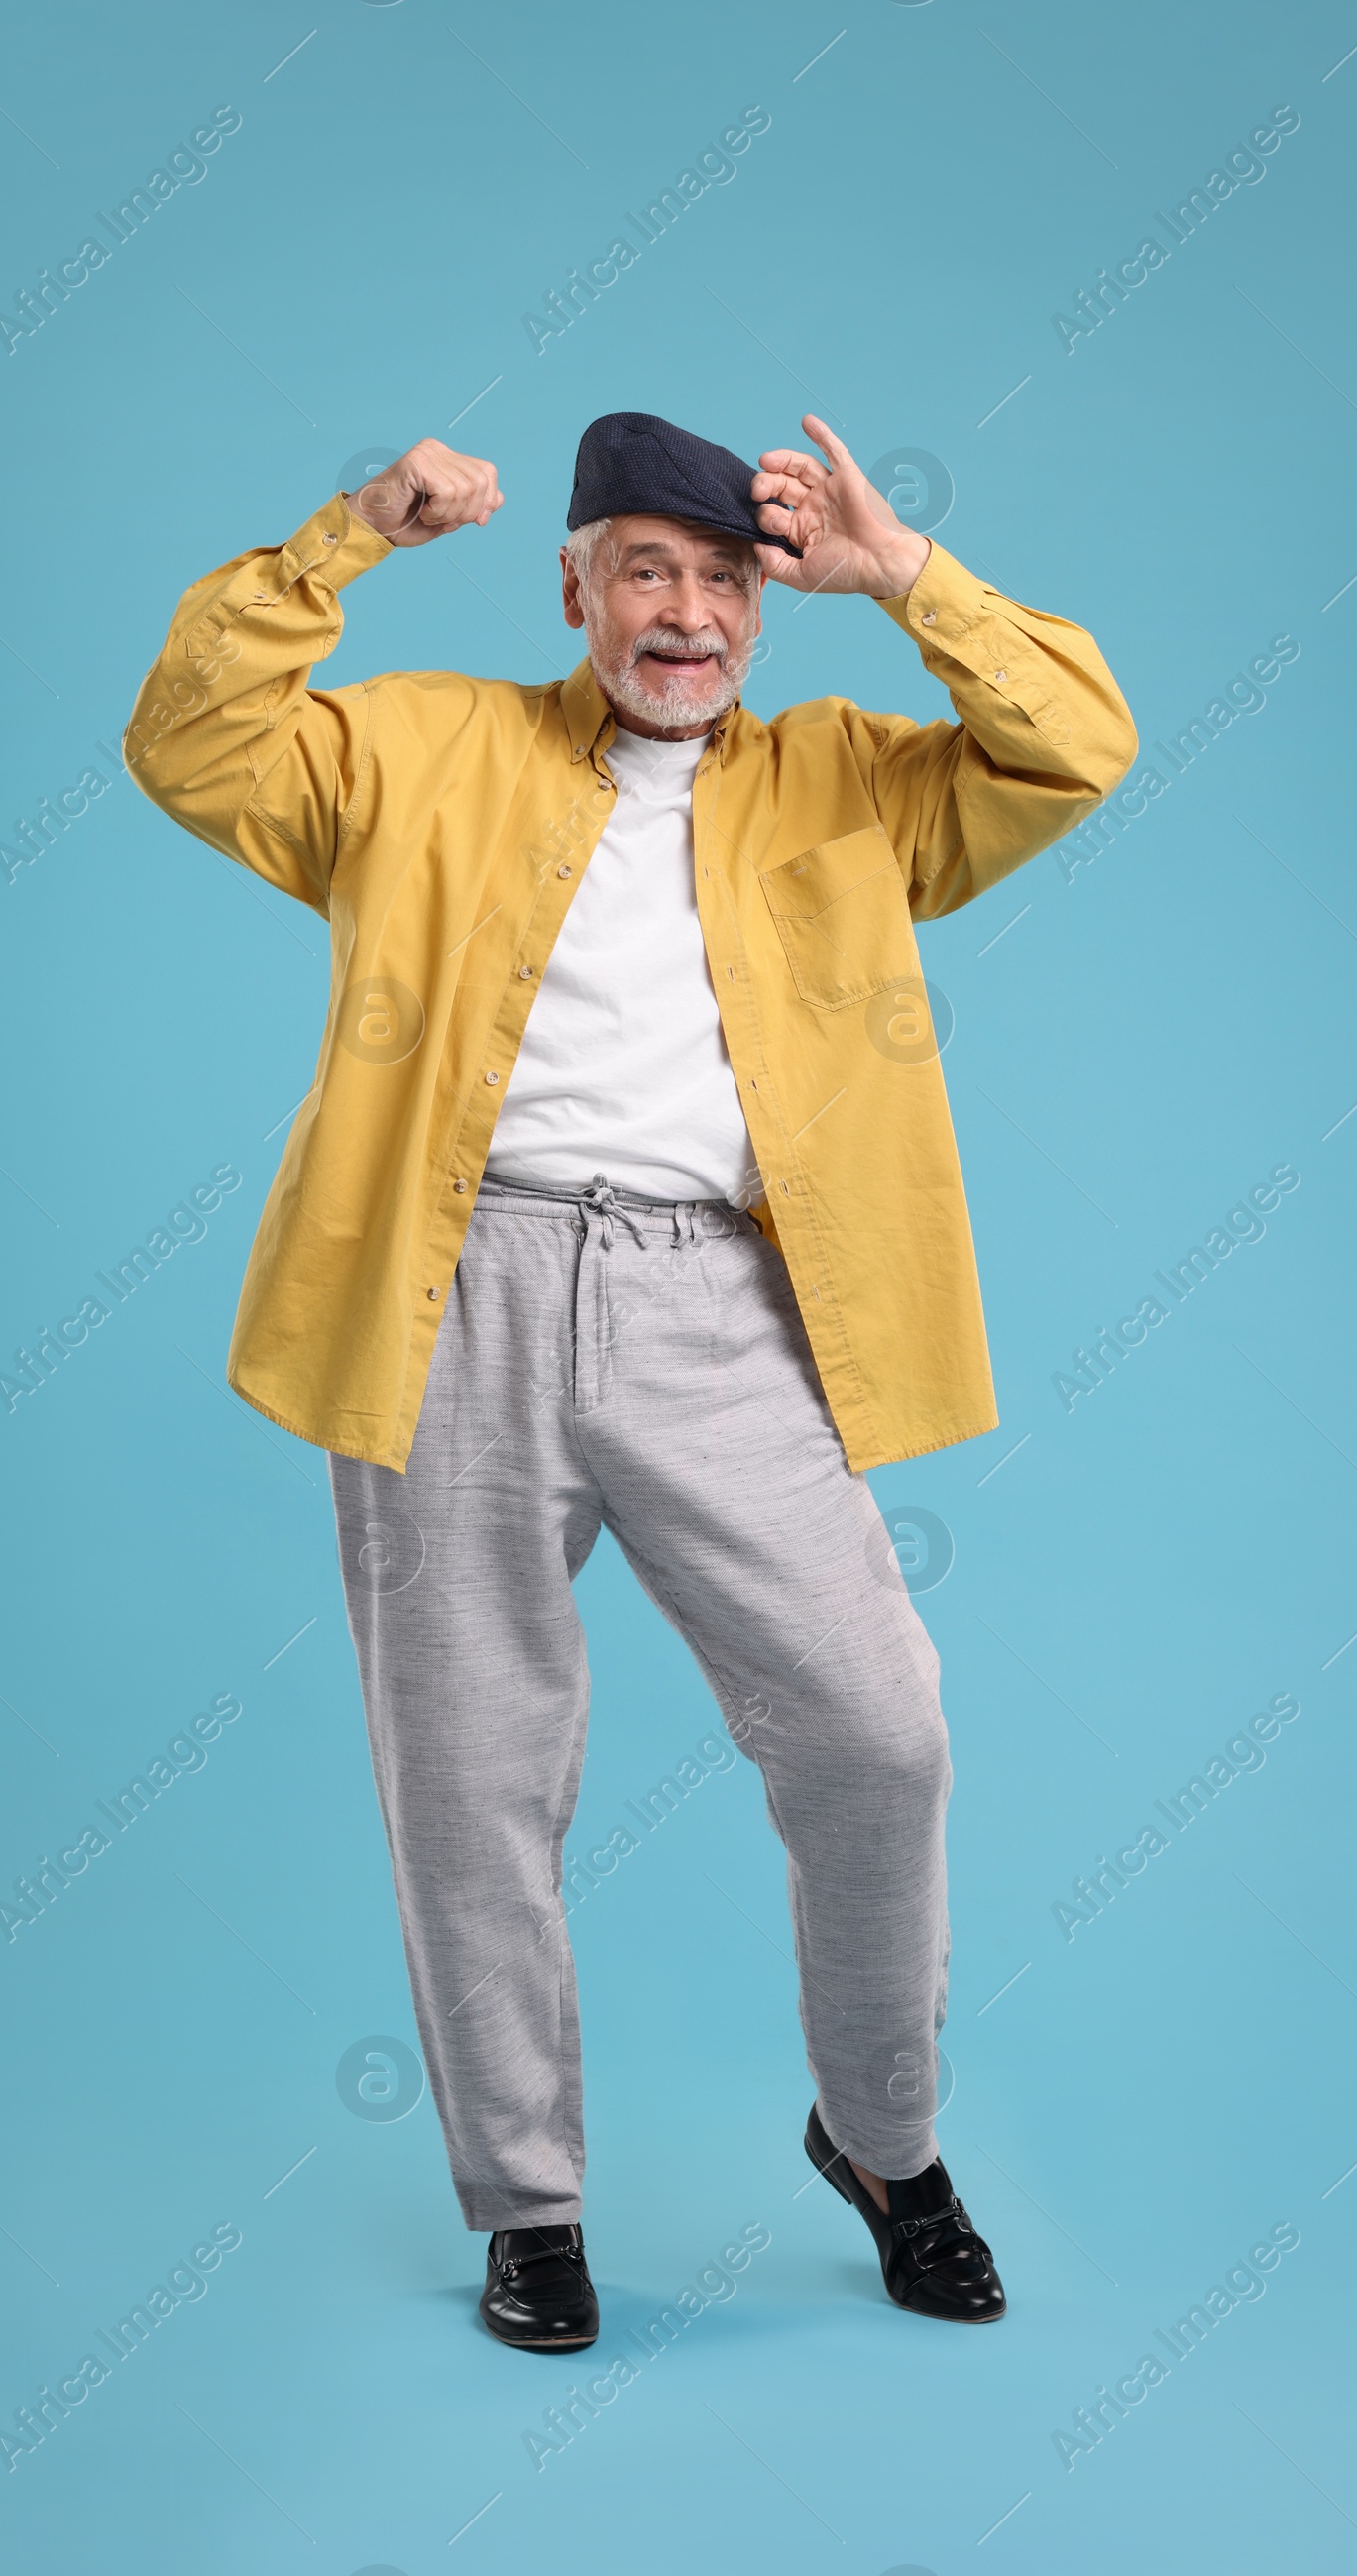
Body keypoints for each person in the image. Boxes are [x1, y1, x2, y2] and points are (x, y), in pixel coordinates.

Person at [126, 410, 1136, 2351]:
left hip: (720, 1310)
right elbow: (186, 738)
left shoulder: (851, 784)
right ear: (573, 588)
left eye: (724, 581)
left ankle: (885, 2143)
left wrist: (905, 575)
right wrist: (343, 535)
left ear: (765, 607)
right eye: (645, 574)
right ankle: (529, 2210)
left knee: (875, 1732)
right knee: (472, 1781)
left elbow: (1073, 741)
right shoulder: (415, 749)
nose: (684, 616)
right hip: (454, 1289)